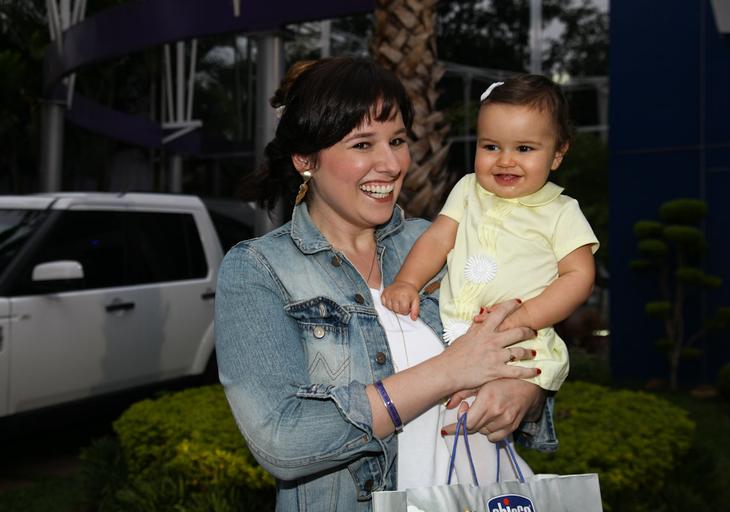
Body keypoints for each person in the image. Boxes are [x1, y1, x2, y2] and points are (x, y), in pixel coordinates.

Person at [215, 58, 558, 512]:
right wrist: (447, 371)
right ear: (305, 159)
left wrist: (526, 395)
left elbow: (525, 339)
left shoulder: (439, 243)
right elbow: (283, 440)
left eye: (397, 140)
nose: (391, 163)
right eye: (363, 144)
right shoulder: (259, 269)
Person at [381, 75, 599, 482]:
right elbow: (437, 239)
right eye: (491, 146)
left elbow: (578, 276)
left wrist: (522, 318)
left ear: (557, 154)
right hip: (453, 334)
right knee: (441, 435)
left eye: (525, 149)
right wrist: (408, 282)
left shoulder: (561, 211)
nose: (505, 161)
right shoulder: (467, 190)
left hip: (521, 343)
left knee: (481, 439)